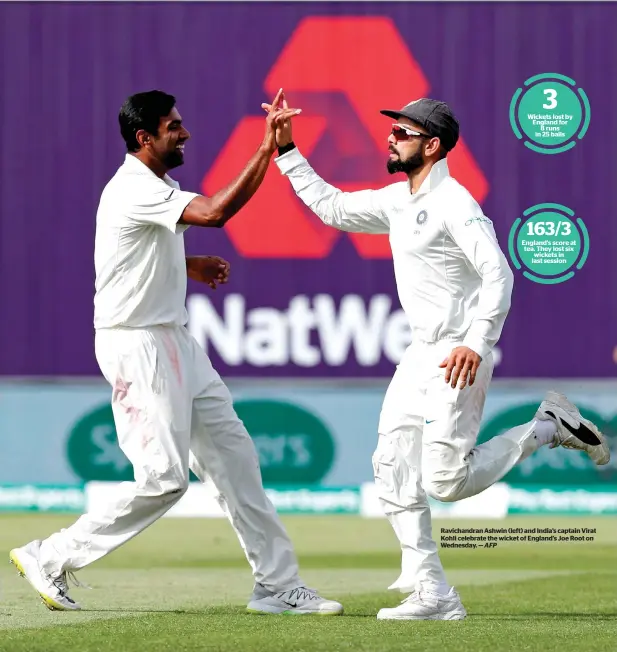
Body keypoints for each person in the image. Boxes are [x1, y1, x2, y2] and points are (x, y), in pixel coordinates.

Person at [265, 94, 610, 621]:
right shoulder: (399, 200)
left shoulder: (455, 203)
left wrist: (477, 341)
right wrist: (287, 149)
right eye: (393, 131)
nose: (390, 138)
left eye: (402, 133)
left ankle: (546, 427)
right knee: (391, 469)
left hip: (457, 354)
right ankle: (433, 593)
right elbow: (331, 207)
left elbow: (499, 275)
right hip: (420, 355)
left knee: (445, 482)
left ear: (431, 145)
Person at [9, 88, 343, 617]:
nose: (184, 132)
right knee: (164, 478)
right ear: (145, 138)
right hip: (136, 342)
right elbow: (215, 212)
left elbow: (133, 252)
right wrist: (267, 150)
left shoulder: (157, 187)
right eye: (173, 126)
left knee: (235, 461)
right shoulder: (131, 187)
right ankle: (50, 556)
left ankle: (277, 585)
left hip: (176, 339)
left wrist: (189, 265)